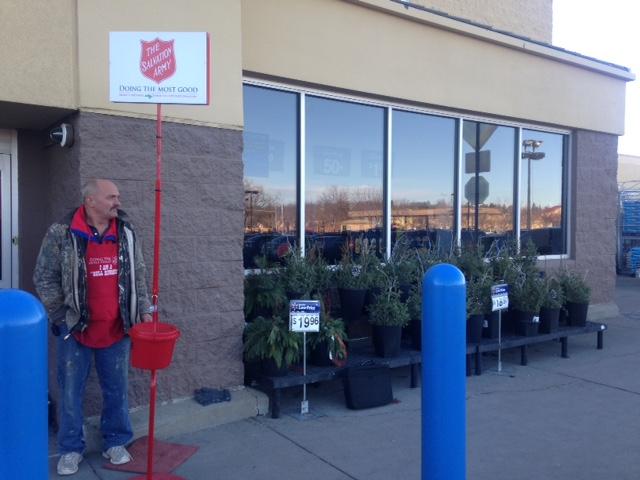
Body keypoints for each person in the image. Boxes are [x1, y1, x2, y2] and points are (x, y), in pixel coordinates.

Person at [34, 179, 153, 476]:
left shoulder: (125, 231)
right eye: (111, 197)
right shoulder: (62, 232)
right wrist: (61, 318)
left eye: (118, 196)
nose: (118, 202)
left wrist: (142, 311)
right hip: (76, 330)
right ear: (91, 201)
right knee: (70, 393)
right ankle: (71, 449)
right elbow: (44, 276)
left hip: (117, 329)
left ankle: (116, 442)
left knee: (117, 390)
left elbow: (138, 272)